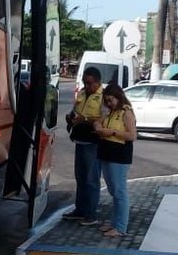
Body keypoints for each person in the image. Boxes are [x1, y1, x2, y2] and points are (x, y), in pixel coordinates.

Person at [93, 83, 137, 238]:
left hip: (119, 156)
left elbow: (132, 136)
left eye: (111, 100)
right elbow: (98, 122)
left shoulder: (126, 113)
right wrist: (99, 125)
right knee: (113, 190)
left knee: (119, 191)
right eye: (107, 100)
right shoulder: (110, 111)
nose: (109, 103)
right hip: (106, 153)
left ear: (118, 97)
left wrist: (111, 132)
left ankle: (120, 227)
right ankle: (115, 222)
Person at [63, 67, 104, 226]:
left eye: (90, 83)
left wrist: (84, 119)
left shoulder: (103, 96)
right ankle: (80, 210)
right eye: (85, 83)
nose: (87, 86)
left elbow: (104, 119)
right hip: (79, 140)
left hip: (93, 143)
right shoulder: (81, 93)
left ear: (98, 82)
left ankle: (91, 214)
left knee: (91, 179)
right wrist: (71, 118)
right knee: (80, 178)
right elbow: (76, 111)